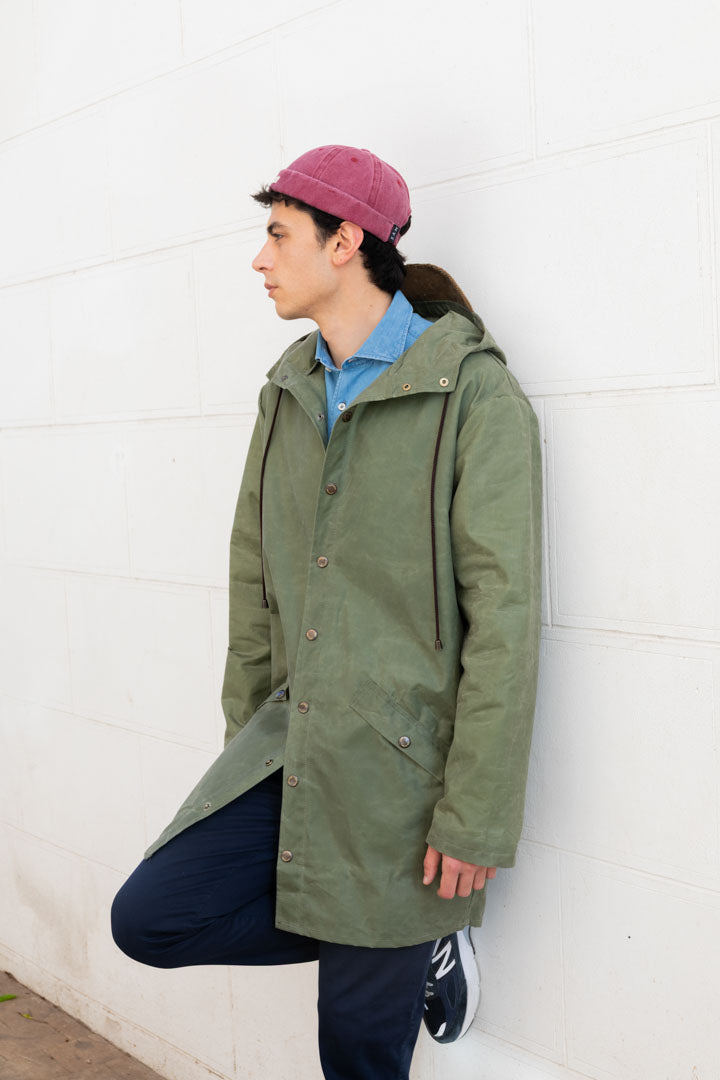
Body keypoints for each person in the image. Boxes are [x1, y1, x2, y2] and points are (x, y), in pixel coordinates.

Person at [111, 144, 543, 1080]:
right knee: (149, 919)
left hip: (400, 778)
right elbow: (252, 576)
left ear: (345, 242)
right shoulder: (289, 388)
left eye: (278, 235)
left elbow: (505, 624)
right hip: (291, 745)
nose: (259, 259)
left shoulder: (474, 394)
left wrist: (474, 816)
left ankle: (409, 927)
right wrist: (247, 737)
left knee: (354, 1058)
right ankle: (407, 933)